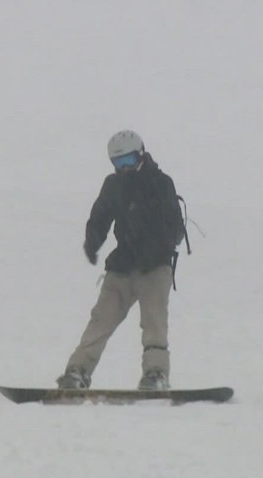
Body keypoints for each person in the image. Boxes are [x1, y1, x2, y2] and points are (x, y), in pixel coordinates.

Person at [56, 130, 186, 390]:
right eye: (118, 162)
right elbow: (99, 217)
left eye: (128, 160)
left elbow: (176, 227)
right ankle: (78, 371)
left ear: (140, 155)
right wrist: (93, 242)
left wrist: (157, 243)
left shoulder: (161, 183)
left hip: (154, 267)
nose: (124, 168)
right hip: (122, 266)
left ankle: (156, 374)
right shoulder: (113, 186)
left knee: (154, 322)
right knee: (100, 319)